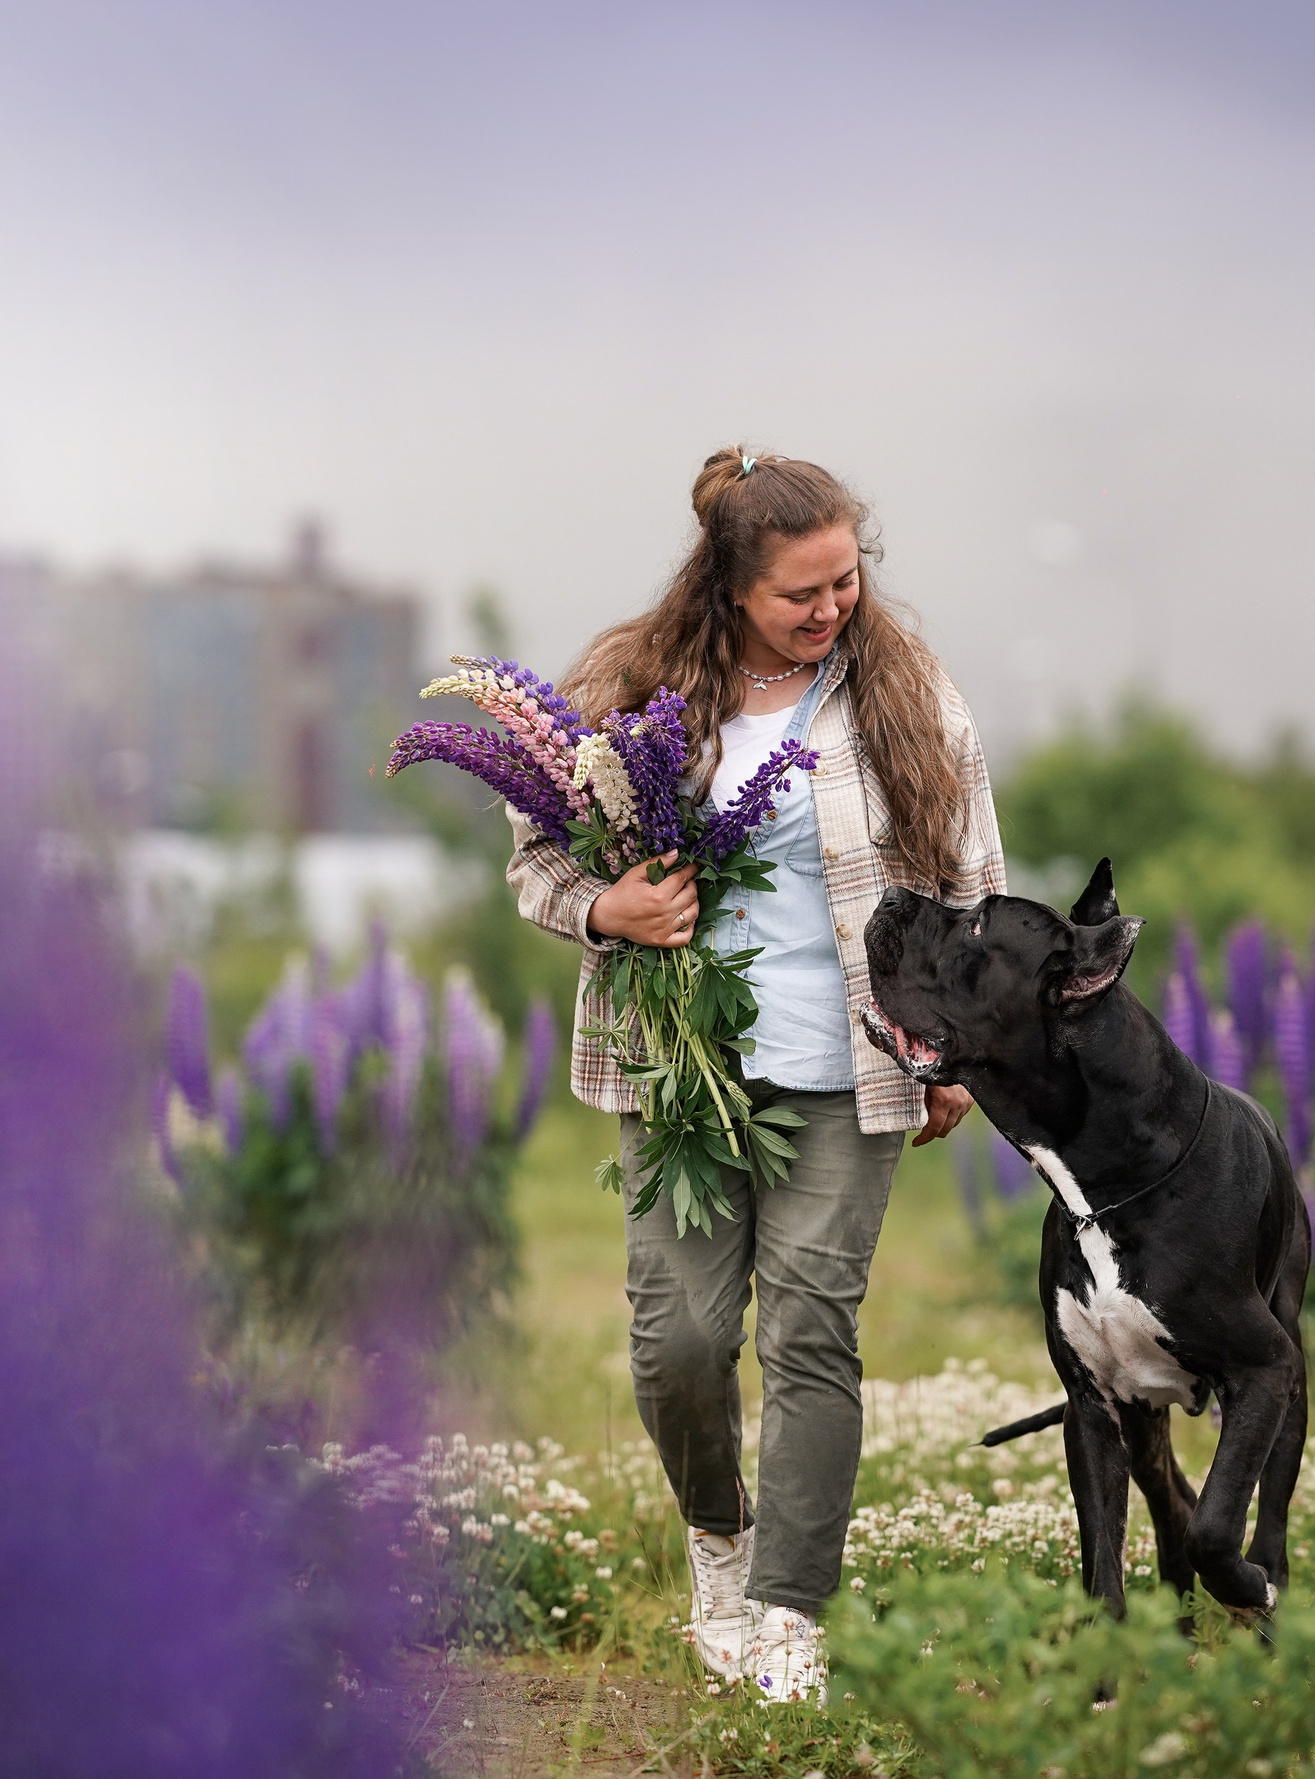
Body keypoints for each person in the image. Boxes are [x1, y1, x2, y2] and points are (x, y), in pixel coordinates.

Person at [505, 447, 1006, 1703]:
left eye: (845, 579)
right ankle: (718, 1542)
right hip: (678, 1066)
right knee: (678, 1342)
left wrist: (958, 1044)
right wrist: (606, 909)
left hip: (851, 1065)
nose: (832, 607)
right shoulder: (625, 683)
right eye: (802, 592)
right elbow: (533, 863)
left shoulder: (903, 689)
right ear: (731, 582)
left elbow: (967, 877)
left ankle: (787, 1613)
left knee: (808, 1332)